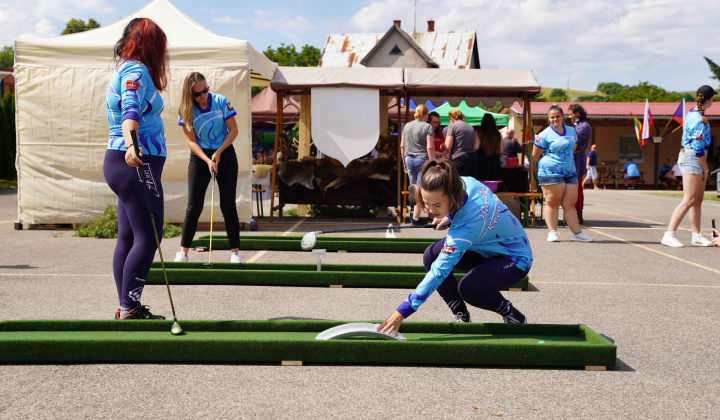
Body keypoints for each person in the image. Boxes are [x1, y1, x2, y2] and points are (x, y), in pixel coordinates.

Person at [377, 159, 533, 336]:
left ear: (452, 196)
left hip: (515, 259)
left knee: (469, 287)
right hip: (486, 248)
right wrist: (450, 217)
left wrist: (402, 311)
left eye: (437, 205)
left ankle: (512, 314)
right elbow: (468, 207)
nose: (430, 210)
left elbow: (438, 272)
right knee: (431, 254)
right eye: (427, 203)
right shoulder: (462, 182)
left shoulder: (466, 229)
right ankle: (461, 314)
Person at [103, 18, 168, 320]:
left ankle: (128, 306)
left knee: (128, 237)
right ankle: (129, 306)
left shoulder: (123, 67)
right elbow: (130, 110)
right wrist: (132, 145)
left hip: (122, 162)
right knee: (149, 235)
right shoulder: (135, 70)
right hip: (134, 161)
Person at [175, 72, 241, 262]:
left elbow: (234, 130)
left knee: (228, 205)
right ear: (190, 95)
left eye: (205, 90)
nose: (203, 96)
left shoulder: (221, 101)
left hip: (225, 153)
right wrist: (206, 160)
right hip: (200, 157)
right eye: (198, 93)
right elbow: (191, 141)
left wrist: (219, 152)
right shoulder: (185, 109)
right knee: (193, 207)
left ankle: (235, 253)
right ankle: (183, 253)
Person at [661, 85, 716, 247]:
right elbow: (698, 148)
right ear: (710, 99)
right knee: (690, 199)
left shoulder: (694, 114)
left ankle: (696, 234)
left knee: (698, 199)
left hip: (694, 156)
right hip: (693, 156)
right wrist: (705, 168)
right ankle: (669, 234)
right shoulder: (699, 118)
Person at [532, 104, 593, 243]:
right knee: (553, 203)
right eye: (552, 117)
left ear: (562, 116)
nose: (555, 119)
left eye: (557, 116)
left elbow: (573, 147)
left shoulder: (572, 131)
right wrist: (548, 164)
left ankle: (577, 234)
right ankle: (552, 232)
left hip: (570, 170)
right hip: (550, 172)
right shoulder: (544, 134)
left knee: (570, 204)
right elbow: (535, 154)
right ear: (548, 118)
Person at [401, 104, 435, 225]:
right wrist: (433, 162)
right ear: (426, 115)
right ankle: (415, 218)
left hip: (409, 158)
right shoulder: (427, 127)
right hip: (422, 160)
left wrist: (404, 161)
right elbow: (430, 147)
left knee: (414, 186)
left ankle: (414, 216)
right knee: (421, 189)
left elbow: (402, 145)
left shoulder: (407, 126)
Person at [569, 104, 591, 223]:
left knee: (577, 188)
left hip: (577, 158)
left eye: (571, 114)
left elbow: (571, 140)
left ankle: (578, 213)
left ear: (577, 113)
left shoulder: (583, 126)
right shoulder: (576, 125)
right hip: (572, 158)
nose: (569, 116)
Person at [444, 109, 479, 177]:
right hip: (472, 159)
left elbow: (448, 146)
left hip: (458, 159)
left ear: (451, 118)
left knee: (457, 184)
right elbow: (476, 147)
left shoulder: (452, 126)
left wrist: (442, 146)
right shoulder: (471, 127)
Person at [474, 113, 502, 181]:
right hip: (495, 164)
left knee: (481, 188)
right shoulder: (498, 134)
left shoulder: (478, 132)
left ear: (482, 122)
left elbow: (476, 147)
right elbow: (501, 151)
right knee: (494, 187)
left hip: (481, 164)